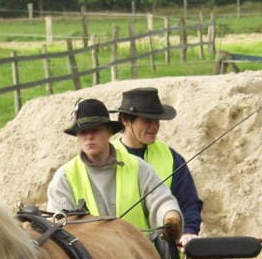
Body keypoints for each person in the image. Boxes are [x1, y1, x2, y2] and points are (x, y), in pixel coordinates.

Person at [46, 98, 183, 239]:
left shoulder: (138, 167)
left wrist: (170, 217)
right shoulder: (65, 177)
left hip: (140, 256)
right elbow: (59, 226)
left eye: (95, 130)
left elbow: (161, 201)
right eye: (82, 132)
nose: (89, 136)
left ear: (109, 132)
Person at [112, 87, 203, 249]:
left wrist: (189, 230)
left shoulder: (170, 156)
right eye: (147, 120)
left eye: (157, 120)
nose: (154, 126)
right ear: (126, 120)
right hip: (120, 256)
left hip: (165, 257)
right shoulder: (107, 158)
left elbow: (188, 202)